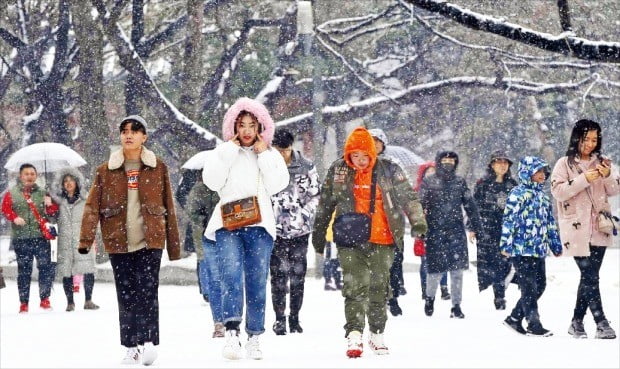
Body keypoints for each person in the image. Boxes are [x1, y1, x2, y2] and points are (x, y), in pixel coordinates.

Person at [312, 127, 427, 358]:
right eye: (356, 156)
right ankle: (354, 334)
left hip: (383, 237)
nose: (361, 161)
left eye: (366, 156)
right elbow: (325, 203)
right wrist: (319, 233)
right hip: (349, 237)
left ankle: (376, 333)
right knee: (354, 287)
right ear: (348, 154)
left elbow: (408, 197)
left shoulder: (389, 169)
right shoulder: (338, 170)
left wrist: (418, 222)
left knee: (379, 287)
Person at [79, 115, 181, 365]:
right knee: (126, 295)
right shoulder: (105, 170)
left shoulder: (158, 167)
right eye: (125, 130)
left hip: (150, 240)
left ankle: (147, 341)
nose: (129, 135)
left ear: (144, 137)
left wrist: (174, 245)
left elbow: (169, 204)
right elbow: (92, 206)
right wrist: (85, 239)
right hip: (118, 241)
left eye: (135, 131)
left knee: (147, 291)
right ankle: (130, 345)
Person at [202, 97, 289, 360]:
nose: (247, 130)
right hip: (228, 223)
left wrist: (263, 154)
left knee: (256, 280)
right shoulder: (223, 151)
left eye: (252, 125)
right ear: (234, 127)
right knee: (229, 275)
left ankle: (254, 335)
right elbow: (212, 181)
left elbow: (278, 184)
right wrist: (228, 151)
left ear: (261, 127)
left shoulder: (270, 154)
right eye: (242, 125)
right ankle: (231, 331)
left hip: (259, 225)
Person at [550, 119, 619, 340]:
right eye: (586, 138)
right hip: (575, 229)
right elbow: (558, 192)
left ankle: (576, 322)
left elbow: (614, 190)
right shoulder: (564, 164)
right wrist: (583, 179)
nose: (590, 144)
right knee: (590, 274)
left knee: (589, 276)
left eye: (594, 139)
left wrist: (607, 174)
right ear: (577, 138)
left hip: (599, 226)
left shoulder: (603, 162)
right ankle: (601, 322)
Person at [500, 156, 562, 337]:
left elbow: (550, 222)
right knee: (528, 287)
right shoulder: (517, 194)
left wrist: (555, 244)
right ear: (527, 172)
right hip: (520, 249)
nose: (542, 175)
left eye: (544, 171)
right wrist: (506, 244)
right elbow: (509, 220)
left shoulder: (543, 197)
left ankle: (514, 317)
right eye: (538, 171)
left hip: (539, 249)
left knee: (540, 285)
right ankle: (534, 324)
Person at [419, 151, 482, 319]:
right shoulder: (429, 182)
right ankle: (430, 298)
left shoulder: (459, 182)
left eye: (451, 160)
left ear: (456, 163)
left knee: (457, 271)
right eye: (444, 160)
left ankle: (456, 306)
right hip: (434, 231)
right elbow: (419, 206)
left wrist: (475, 227)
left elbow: (470, 206)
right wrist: (420, 227)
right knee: (435, 271)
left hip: (456, 231)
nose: (448, 163)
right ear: (439, 162)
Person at [269, 128, 320, 335]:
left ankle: (295, 317)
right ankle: (279, 318)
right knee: (278, 275)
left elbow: (315, 195)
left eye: (285, 150)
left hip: (300, 230)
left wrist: (304, 215)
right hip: (274, 231)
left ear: (291, 147)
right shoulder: (266, 166)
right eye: (278, 150)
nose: (282, 154)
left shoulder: (306, 166)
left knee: (298, 275)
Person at [2, 163, 59, 313]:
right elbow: (5, 209)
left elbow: (53, 212)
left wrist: (50, 204)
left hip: (40, 237)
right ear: (20, 176)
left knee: (45, 269)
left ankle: (45, 299)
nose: (29, 176)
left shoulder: (43, 192)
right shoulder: (12, 193)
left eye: (32, 174)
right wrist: (14, 218)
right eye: (26, 174)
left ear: (37, 175)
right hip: (21, 238)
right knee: (24, 271)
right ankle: (24, 303)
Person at [368, 128, 408, 316]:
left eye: (378, 141)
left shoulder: (392, 166)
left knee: (394, 263)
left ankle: (393, 297)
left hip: (390, 223)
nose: (375, 144)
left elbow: (405, 193)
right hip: (366, 224)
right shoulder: (357, 166)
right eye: (371, 140)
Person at [471, 150, 517, 311]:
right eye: (499, 162)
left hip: (506, 231)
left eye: (505, 163)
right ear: (492, 165)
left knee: (503, 263)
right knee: (489, 264)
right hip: (486, 230)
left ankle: (499, 294)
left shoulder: (513, 185)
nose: (502, 165)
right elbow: (474, 207)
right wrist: (472, 227)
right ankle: (497, 292)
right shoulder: (482, 184)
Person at [52, 167, 99, 312]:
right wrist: (49, 207)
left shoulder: (86, 200)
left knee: (88, 268)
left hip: (83, 239)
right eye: (65, 181)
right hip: (65, 241)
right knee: (67, 270)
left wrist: (92, 235)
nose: (68, 183)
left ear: (77, 182)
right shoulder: (58, 202)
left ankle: (88, 300)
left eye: (71, 180)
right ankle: (70, 302)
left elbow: (93, 218)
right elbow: (51, 219)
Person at [186, 174, 225, 338]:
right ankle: (219, 321)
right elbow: (192, 211)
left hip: (229, 233)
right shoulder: (199, 189)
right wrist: (202, 217)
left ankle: (232, 319)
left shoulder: (228, 184)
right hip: (207, 236)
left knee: (231, 278)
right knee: (214, 277)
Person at [413, 161, 450, 301]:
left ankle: (444, 288)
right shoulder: (417, 191)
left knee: (443, 259)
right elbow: (410, 210)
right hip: (424, 229)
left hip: (440, 228)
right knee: (425, 261)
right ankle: (426, 289)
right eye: (428, 172)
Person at [323, 212, 342, 291]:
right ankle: (328, 281)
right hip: (331, 237)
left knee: (336, 260)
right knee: (329, 259)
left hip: (337, 236)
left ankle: (337, 281)